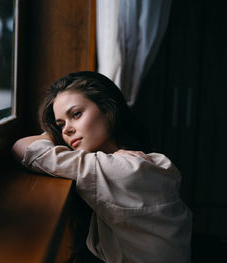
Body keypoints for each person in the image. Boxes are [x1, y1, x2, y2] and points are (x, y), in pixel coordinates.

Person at [12, 71, 192, 263]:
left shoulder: (128, 169)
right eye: (60, 124)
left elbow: (24, 148)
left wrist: (51, 135)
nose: (66, 129)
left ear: (108, 108)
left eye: (76, 114)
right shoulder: (129, 162)